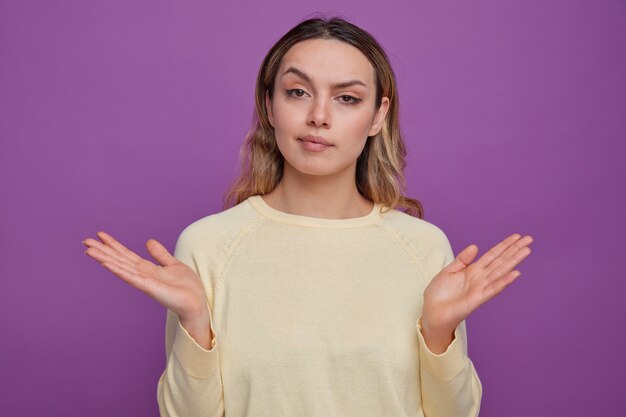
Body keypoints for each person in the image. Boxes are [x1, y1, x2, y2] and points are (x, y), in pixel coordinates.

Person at [83, 15, 533, 417]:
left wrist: (439, 335)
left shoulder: (424, 248)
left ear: (378, 116)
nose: (318, 116)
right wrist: (195, 324)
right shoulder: (207, 245)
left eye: (347, 98)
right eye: (297, 92)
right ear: (268, 106)